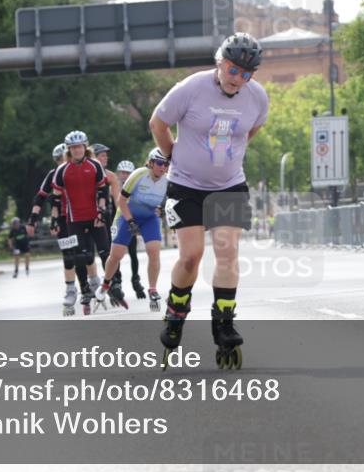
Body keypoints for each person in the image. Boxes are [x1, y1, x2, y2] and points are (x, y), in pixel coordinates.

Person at [149, 32, 269, 369]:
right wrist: (171, 153)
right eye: (233, 70)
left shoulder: (257, 97)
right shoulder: (191, 88)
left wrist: (232, 154)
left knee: (228, 253)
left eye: (247, 75)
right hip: (185, 185)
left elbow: (252, 129)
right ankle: (175, 312)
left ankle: (224, 325)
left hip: (229, 184)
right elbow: (158, 123)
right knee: (191, 256)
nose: (238, 80)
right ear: (220, 62)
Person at [96, 148, 170, 311]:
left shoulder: (167, 181)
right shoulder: (138, 175)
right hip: (127, 214)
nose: (163, 167)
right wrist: (129, 221)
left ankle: (152, 289)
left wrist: (164, 210)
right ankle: (106, 284)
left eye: (166, 164)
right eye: (159, 163)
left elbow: (169, 203)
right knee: (117, 255)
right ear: (150, 163)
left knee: (154, 251)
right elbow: (121, 202)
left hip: (149, 218)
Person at [29, 142, 91, 316]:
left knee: (86, 255)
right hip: (63, 220)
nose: (60, 162)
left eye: (62, 158)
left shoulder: (78, 171)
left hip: (80, 218)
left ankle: (92, 283)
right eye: (57, 159)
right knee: (69, 256)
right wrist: (32, 220)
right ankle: (71, 290)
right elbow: (40, 197)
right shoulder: (53, 175)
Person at [52, 130, 109, 315]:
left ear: (85, 147)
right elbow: (56, 198)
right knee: (79, 256)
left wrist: (101, 211)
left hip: (94, 217)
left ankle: (108, 285)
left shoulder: (95, 165)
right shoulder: (62, 170)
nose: (77, 150)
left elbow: (102, 190)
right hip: (74, 219)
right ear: (69, 150)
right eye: (73, 148)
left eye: (80, 147)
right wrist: (54, 219)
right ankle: (83, 289)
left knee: (103, 252)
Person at [92, 142, 124, 295]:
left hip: (106, 216)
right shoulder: (87, 173)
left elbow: (118, 199)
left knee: (110, 251)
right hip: (87, 216)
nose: (106, 158)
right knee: (87, 254)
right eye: (102, 155)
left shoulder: (110, 176)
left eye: (106, 155)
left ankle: (116, 282)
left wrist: (124, 215)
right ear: (94, 157)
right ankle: (91, 283)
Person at [115, 159, 146, 298]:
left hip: (130, 221)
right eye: (122, 173)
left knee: (133, 252)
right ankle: (117, 281)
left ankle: (135, 279)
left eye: (128, 173)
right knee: (116, 255)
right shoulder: (114, 187)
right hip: (117, 222)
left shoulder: (136, 188)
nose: (125, 176)